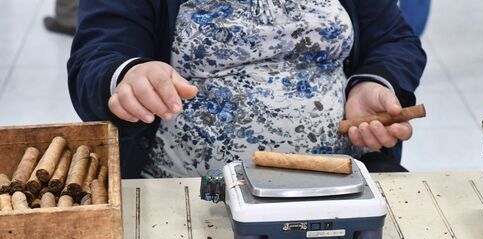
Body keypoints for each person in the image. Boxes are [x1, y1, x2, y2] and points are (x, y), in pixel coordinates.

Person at [68, 0, 426, 179]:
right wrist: (130, 77)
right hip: (190, 195)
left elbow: (394, 39)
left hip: (340, 180)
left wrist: (370, 82)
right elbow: (96, 57)